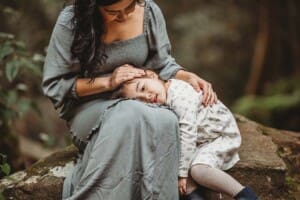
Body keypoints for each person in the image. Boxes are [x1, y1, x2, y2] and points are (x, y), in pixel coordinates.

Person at [42, 0, 218, 199]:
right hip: (88, 110)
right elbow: (55, 85)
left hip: (140, 99)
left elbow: (161, 63)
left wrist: (188, 76)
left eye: (130, 7)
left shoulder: (150, 12)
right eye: (112, 11)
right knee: (131, 115)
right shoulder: (71, 21)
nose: (124, 16)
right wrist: (109, 82)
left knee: (168, 120)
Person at [112, 70, 259, 200]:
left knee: (197, 170)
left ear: (152, 75)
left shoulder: (180, 95)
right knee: (174, 162)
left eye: (143, 88)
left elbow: (187, 132)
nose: (147, 96)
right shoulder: (163, 97)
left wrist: (182, 175)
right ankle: (194, 196)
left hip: (219, 136)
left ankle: (243, 195)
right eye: (140, 100)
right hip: (200, 138)